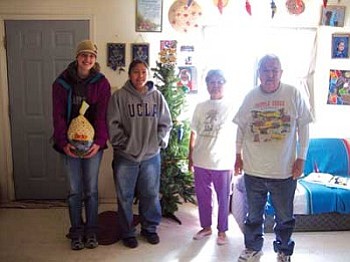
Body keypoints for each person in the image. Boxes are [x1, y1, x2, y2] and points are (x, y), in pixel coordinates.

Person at [233, 54, 313, 262]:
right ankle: (253, 248)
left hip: (284, 171)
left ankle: (284, 251)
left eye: (274, 70)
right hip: (253, 170)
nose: (270, 74)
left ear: (281, 72)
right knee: (253, 216)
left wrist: (301, 158)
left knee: (285, 218)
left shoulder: (293, 94)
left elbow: (304, 127)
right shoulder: (250, 97)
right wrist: (237, 155)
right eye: (265, 70)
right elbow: (241, 128)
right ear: (259, 73)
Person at [52, 40, 111, 250]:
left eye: (92, 56)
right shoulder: (61, 83)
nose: (87, 59)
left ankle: (92, 231)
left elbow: (103, 116)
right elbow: (58, 116)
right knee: (75, 190)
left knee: (91, 191)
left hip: (93, 147)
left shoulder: (101, 83)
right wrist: (62, 143)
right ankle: (76, 232)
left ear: (95, 59)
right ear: (77, 57)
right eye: (84, 55)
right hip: (69, 146)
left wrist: (99, 142)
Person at [107, 59, 172, 249]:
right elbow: (112, 124)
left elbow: (166, 122)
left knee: (150, 194)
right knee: (124, 196)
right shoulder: (119, 97)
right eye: (136, 72)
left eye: (144, 72)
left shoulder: (157, 97)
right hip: (126, 157)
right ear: (129, 74)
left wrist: (158, 141)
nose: (140, 76)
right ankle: (127, 232)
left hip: (151, 157)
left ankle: (149, 228)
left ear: (148, 74)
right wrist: (124, 144)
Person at [189, 69, 236, 246]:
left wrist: (240, 157)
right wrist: (190, 155)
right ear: (207, 84)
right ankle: (206, 227)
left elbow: (241, 133)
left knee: (223, 198)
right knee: (203, 197)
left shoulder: (232, 106)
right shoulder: (200, 106)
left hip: (223, 161)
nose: (215, 85)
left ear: (224, 83)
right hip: (201, 158)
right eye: (211, 82)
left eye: (219, 82)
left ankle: (222, 230)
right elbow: (193, 132)